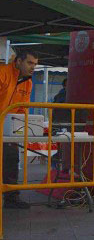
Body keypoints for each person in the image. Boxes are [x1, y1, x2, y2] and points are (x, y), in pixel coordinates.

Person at [0, 49, 38, 209]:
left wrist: (22, 130)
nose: (33, 67)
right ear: (19, 61)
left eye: (35, 64)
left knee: (11, 159)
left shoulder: (28, 82)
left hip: (8, 129)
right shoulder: (3, 73)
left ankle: (11, 197)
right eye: (30, 63)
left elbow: (23, 108)